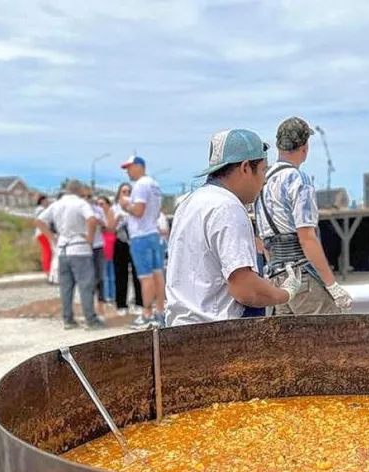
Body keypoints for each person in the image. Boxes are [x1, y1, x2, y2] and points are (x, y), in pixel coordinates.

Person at [166, 128, 303, 326]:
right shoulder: (228, 207)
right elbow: (244, 289)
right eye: (263, 170)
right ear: (246, 167)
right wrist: (284, 293)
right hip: (218, 332)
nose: (264, 180)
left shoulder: (190, 203)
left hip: (180, 329)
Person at [253, 116, 352, 315]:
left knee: (288, 336)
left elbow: (263, 242)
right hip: (301, 276)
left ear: (279, 145)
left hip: (276, 279)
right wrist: (331, 285)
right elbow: (307, 238)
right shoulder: (298, 179)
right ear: (305, 147)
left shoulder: (263, 182)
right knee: (328, 332)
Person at [34, 179, 104, 330]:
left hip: (62, 248)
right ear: (79, 190)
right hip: (79, 247)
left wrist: (51, 237)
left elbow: (39, 221)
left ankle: (68, 319)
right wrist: (90, 238)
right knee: (85, 285)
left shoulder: (56, 204)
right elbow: (92, 219)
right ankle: (90, 318)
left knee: (66, 286)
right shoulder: (81, 203)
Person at [120, 156, 166, 329]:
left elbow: (138, 211)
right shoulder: (155, 184)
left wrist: (125, 205)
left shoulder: (140, 185)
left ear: (139, 166)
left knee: (145, 277)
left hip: (141, 236)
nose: (128, 171)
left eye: (129, 167)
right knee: (158, 275)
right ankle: (160, 311)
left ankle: (147, 314)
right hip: (153, 233)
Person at [112, 182, 142, 316]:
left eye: (129, 192)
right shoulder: (114, 208)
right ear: (119, 194)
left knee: (138, 274)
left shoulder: (137, 207)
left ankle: (139, 303)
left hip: (135, 242)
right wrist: (118, 219)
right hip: (121, 242)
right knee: (120, 274)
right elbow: (110, 228)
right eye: (124, 192)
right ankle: (121, 304)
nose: (126, 194)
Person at [96, 195, 118, 306]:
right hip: (101, 244)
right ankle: (105, 295)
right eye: (98, 204)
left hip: (109, 243)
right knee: (104, 272)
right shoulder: (97, 215)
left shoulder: (110, 214)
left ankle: (111, 295)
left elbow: (111, 228)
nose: (99, 206)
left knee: (109, 272)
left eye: (102, 204)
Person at [33, 195, 55, 281]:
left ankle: (47, 271)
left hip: (41, 233)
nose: (48, 202)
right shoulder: (41, 210)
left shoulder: (38, 210)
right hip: (43, 232)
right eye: (46, 200)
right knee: (48, 252)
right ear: (42, 201)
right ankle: (48, 271)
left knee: (46, 251)